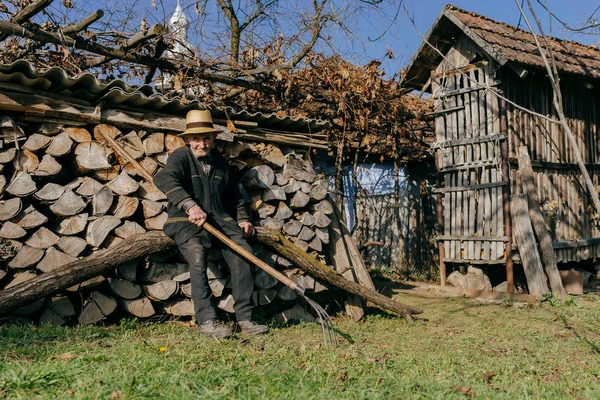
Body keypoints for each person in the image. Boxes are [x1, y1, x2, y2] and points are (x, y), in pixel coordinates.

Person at [154, 109, 269, 339]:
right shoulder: (180, 157)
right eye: (196, 138)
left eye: (206, 138)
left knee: (243, 255)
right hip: (186, 222)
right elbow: (164, 178)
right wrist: (188, 205)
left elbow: (236, 196)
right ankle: (208, 321)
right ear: (188, 139)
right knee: (197, 257)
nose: (201, 144)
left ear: (213, 139)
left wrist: (244, 218)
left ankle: (245, 319)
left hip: (222, 222)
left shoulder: (220, 162)